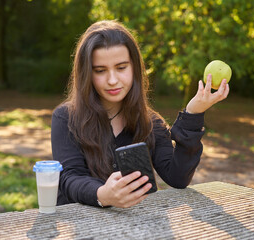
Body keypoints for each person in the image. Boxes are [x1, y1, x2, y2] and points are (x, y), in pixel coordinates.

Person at [51, 20, 229, 209]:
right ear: (87, 74)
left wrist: (194, 112)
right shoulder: (66, 118)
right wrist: (102, 195)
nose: (112, 80)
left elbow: (178, 177)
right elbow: (70, 178)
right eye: (100, 70)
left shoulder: (150, 122)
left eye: (121, 68)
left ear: (135, 67)